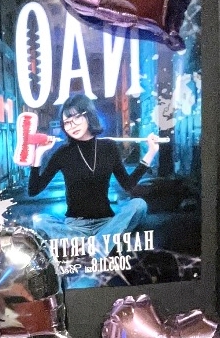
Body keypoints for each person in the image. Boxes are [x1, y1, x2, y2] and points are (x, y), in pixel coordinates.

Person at [22, 93, 160, 256]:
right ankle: (100, 243)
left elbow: (128, 185)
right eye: (67, 122)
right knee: (39, 220)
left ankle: (92, 244)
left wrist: (151, 152)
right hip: (75, 227)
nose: (71, 126)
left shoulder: (109, 147)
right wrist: (39, 154)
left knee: (139, 205)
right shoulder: (62, 153)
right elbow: (34, 190)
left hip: (106, 223)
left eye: (76, 118)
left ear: (88, 114)